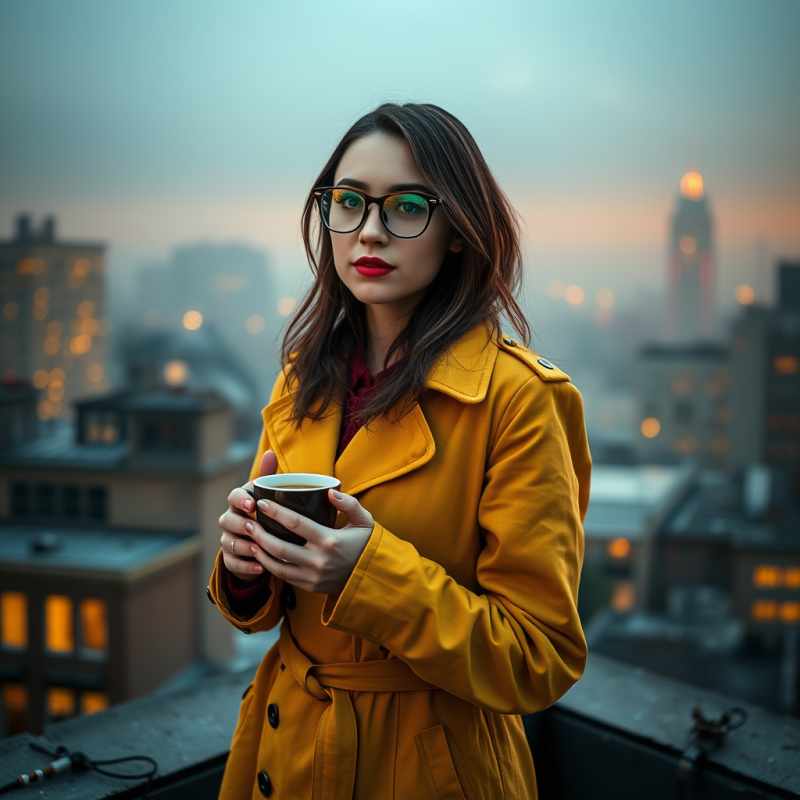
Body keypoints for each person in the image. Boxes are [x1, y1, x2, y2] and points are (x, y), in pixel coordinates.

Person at [210, 102, 592, 800]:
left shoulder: (519, 400)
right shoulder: (303, 375)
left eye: (407, 206)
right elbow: (268, 611)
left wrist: (373, 576)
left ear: (457, 230)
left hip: (430, 766)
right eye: (349, 203)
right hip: (282, 748)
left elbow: (540, 657)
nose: (371, 232)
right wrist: (244, 565)